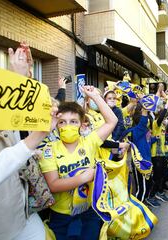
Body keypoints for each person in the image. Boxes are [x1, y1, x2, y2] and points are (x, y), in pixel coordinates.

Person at [0, 43, 57, 240]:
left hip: (23, 209)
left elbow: (23, 115)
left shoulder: (3, 111)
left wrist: (25, 80)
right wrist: (17, 80)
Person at [39, 86, 118, 240]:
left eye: (73, 121)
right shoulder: (49, 149)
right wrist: (83, 178)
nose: (68, 126)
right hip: (61, 217)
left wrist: (95, 96)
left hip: (88, 213)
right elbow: (53, 185)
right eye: (63, 122)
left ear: (82, 124)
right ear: (57, 125)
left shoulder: (89, 142)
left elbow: (112, 121)